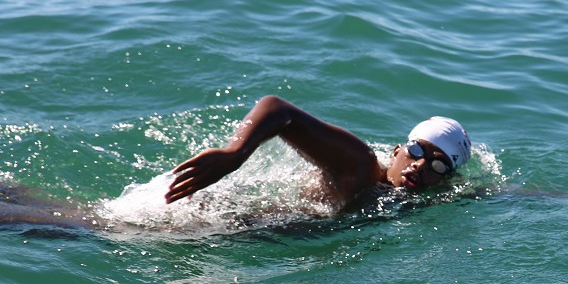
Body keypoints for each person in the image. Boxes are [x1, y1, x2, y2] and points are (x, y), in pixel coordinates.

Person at [164, 95, 472, 211]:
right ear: (395, 151)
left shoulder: (413, 197)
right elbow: (279, 110)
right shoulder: (360, 166)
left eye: (438, 165)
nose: (419, 165)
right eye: (416, 150)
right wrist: (235, 153)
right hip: (187, 217)